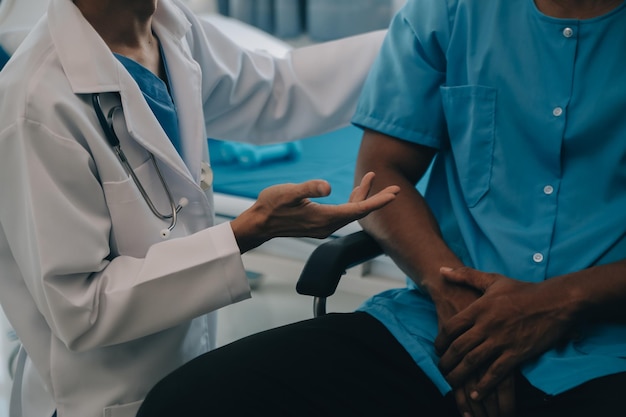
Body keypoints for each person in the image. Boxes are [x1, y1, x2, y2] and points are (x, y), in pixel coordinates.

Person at [136, 0, 626, 416]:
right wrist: (451, 294)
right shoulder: (451, 11)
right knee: (186, 403)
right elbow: (382, 172)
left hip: (610, 344)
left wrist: (562, 300)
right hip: (441, 328)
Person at [0, 1, 398, 416]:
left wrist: (408, 36)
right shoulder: (35, 106)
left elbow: (275, 89)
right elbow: (82, 307)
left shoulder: (171, 27)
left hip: (188, 376)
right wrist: (246, 232)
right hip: (104, 398)